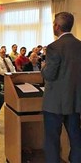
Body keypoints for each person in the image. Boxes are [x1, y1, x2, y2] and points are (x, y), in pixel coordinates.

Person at [41, 12, 81, 163]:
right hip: (75, 100)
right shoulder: (79, 45)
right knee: (76, 137)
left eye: (53, 24)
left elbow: (49, 75)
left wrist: (44, 67)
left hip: (54, 103)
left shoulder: (54, 47)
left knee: (52, 140)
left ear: (57, 26)